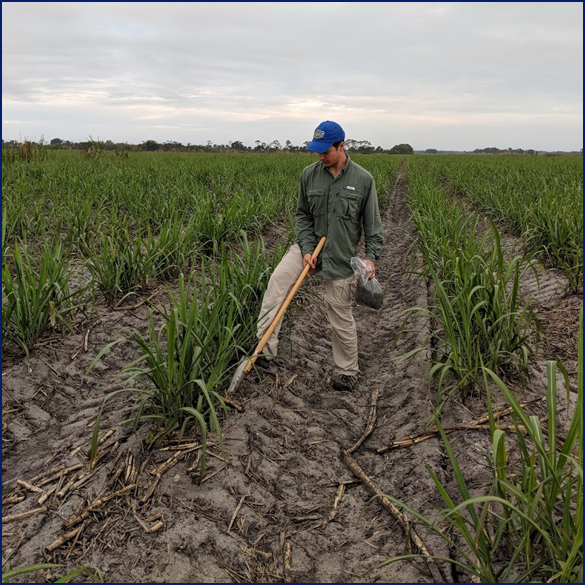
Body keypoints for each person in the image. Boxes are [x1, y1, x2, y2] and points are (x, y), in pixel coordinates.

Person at [255, 120, 384, 391]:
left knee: (340, 313)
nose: (320, 156)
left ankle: (346, 371)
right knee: (277, 283)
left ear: (341, 146)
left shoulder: (363, 180)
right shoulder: (309, 175)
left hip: (341, 255)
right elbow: (302, 215)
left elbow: (373, 227)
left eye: (326, 151)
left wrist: (371, 257)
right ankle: (264, 353)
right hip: (308, 247)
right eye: (317, 151)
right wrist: (305, 249)